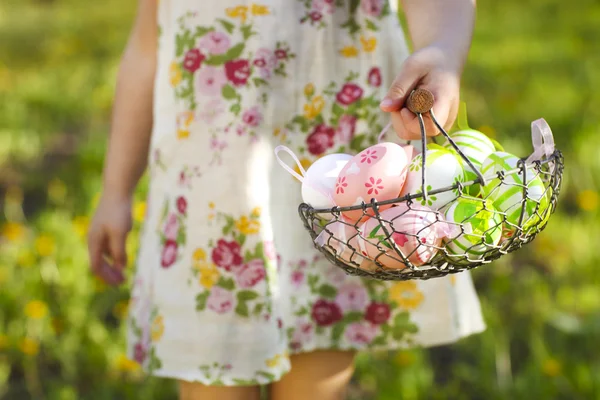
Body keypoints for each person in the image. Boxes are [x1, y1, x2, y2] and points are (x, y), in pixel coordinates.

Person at [88, 0, 485, 399]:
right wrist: (115, 189)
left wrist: (441, 53)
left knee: (317, 368)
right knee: (213, 377)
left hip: (339, 176)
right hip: (211, 188)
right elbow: (147, 46)